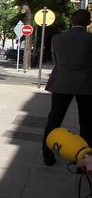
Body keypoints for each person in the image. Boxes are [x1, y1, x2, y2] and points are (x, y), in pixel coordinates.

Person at [43, 9, 92, 166]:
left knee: (54, 120)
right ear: (88, 23)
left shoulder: (58, 39)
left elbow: (56, 61)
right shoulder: (90, 39)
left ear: (71, 21)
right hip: (86, 86)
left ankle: (47, 155)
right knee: (86, 123)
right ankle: (84, 160)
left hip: (61, 83)